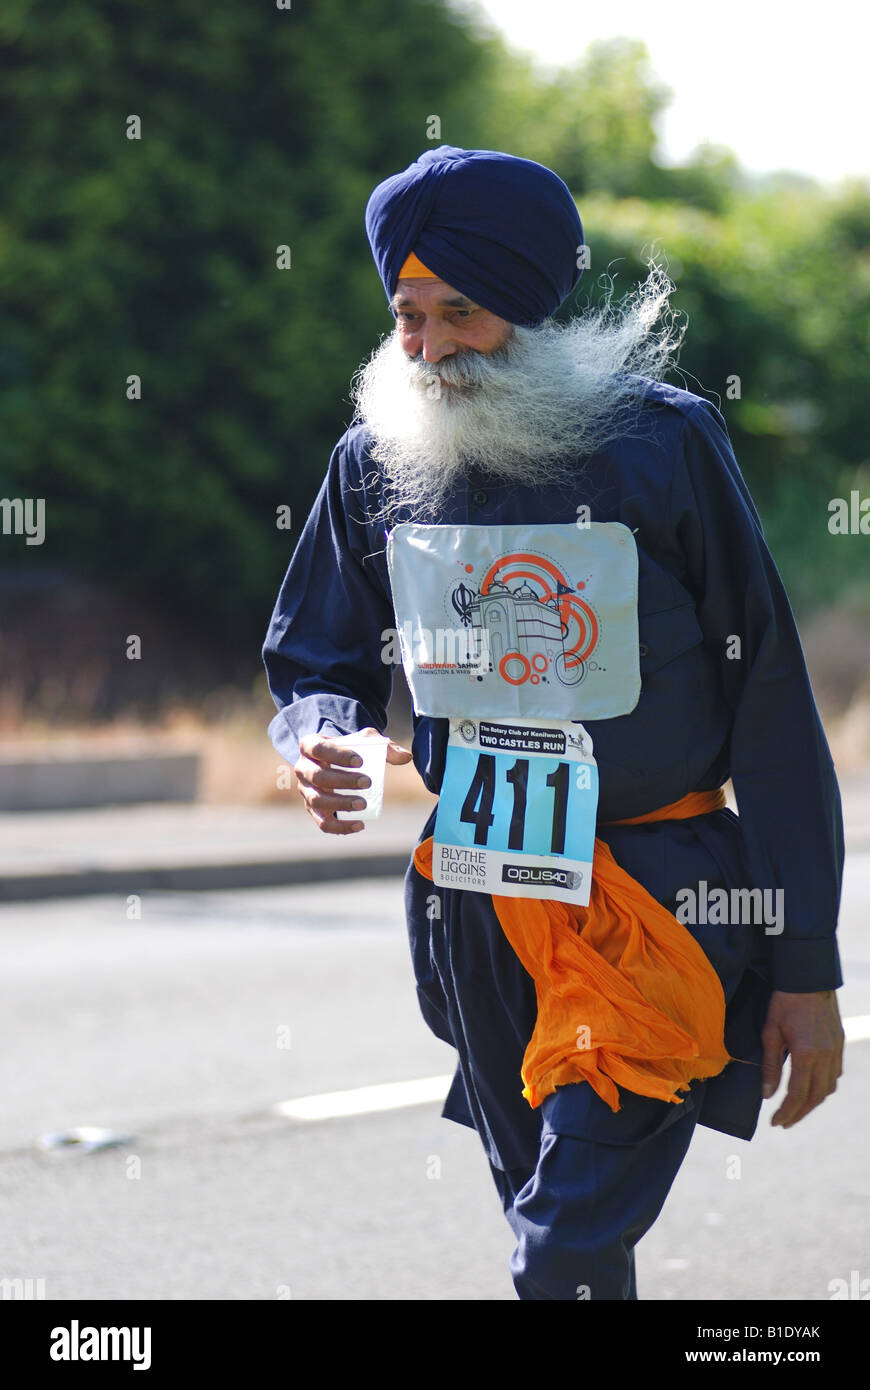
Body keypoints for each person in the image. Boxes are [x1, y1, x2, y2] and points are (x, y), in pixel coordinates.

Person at [261, 145, 845, 1300]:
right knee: (564, 1240)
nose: (425, 348)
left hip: (660, 906)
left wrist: (807, 965)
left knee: (562, 1249)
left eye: (459, 313)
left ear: (530, 305)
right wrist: (322, 735)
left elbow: (772, 703)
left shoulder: (663, 443)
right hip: (478, 904)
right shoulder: (374, 461)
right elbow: (314, 655)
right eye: (408, 315)